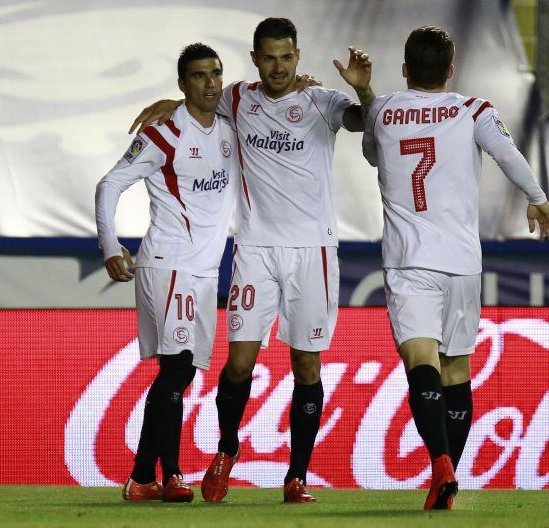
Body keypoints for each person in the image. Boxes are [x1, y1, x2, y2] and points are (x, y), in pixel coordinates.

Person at [128, 17, 374, 503]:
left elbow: (361, 121)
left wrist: (365, 92)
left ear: (298, 57)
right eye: (269, 58)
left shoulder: (321, 101)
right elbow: (198, 100)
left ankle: (296, 476)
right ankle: (226, 448)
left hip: (314, 252)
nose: (279, 67)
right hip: (255, 250)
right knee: (239, 363)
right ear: (255, 58)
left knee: (307, 364)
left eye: (287, 57)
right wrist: (172, 104)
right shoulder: (238, 98)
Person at [357, 26, 549, 510]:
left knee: (420, 362)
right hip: (462, 263)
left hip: (408, 261)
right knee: (456, 368)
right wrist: (538, 198)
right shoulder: (474, 110)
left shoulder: (382, 111)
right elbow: (508, 154)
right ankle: (447, 477)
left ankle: (439, 462)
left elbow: (369, 153)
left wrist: (365, 93)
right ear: (451, 70)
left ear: (404, 68)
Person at [95, 43, 237, 503]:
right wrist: (110, 244)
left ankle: (153, 476)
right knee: (175, 371)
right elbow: (109, 183)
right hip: (169, 264)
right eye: (198, 76)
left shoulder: (231, 128)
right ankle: (160, 475)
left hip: (204, 271)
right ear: (182, 84)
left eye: (216, 73)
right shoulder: (162, 135)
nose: (211, 83)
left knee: (183, 373)